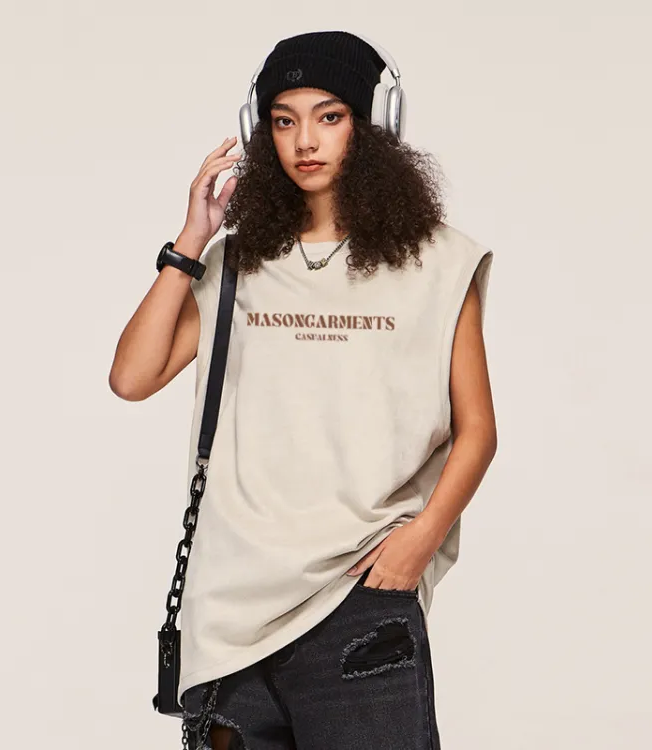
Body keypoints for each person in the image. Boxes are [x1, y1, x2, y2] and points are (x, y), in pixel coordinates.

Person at [109, 30, 496, 750]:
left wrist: (420, 541)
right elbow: (132, 377)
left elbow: (478, 428)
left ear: (373, 123)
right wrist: (192, 239)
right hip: (231, 613)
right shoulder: (238, 262)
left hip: (360, 597)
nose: (305, 141)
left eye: (329, 116)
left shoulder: (440, 262)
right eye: (284, 120)